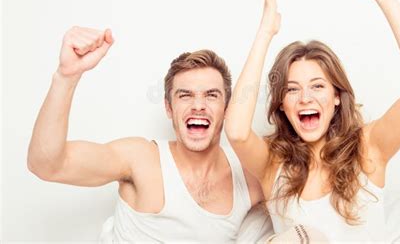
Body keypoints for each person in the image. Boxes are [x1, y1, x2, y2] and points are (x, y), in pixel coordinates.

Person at [225, 0, 400, 242]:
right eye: (292, 89)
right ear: (281, 105)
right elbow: (236, 131)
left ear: (337, 97)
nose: (304, 98)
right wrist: (265, 32)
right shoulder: (274, 165)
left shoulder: (369, 149)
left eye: (317, 86)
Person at [27, 26, 272, 242]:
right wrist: (66, 77)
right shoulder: (141, 159)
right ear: (168, 107)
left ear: (227, 109)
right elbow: (47, 165)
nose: (198, 105)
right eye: (185, 95)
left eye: (211, 95)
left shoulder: (247, 176)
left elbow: (303, 178)